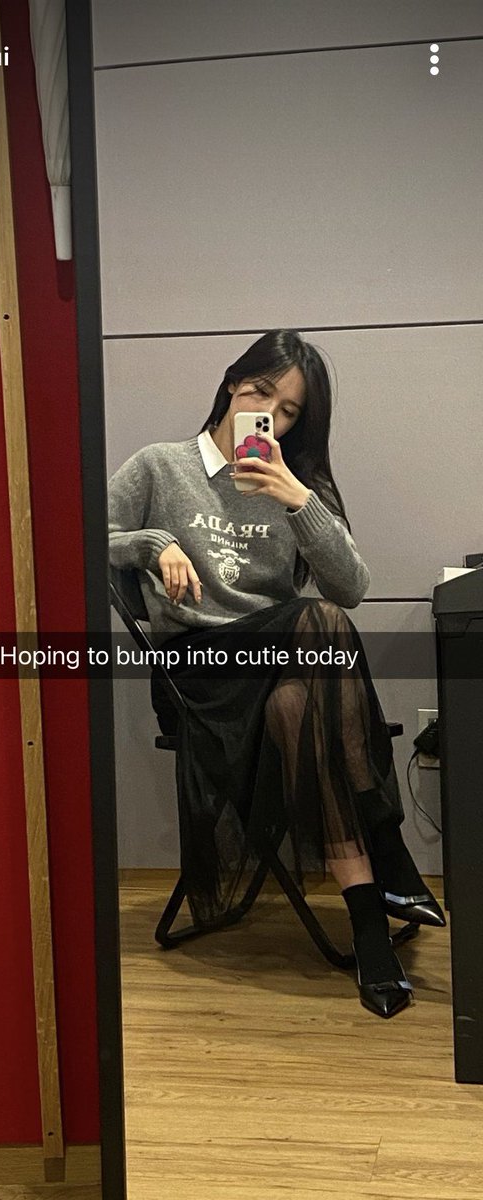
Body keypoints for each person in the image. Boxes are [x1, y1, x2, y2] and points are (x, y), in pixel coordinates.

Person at [107, 328, 445, 1019]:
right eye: (261, 392)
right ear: (234, 382)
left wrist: (297, 498)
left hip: (283, 667)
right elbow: (82, 534)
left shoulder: (296, 484)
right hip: (199, 671)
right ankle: (389, 852)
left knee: (300, 701)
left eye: (288, 410)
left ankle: (368, 923)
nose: (269, 414)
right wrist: (154, 544)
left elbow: (352, 587)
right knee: (318, 620)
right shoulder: (161, 466)